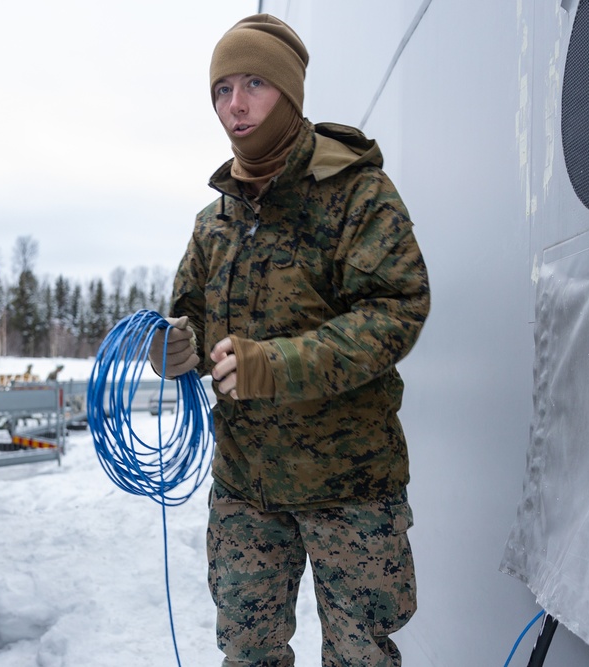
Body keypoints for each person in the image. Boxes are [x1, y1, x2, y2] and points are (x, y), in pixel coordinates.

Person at [149, 13, 430, 667]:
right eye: (221, 89)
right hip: (247, 487)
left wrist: (277, 365)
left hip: (350, 486)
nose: (236, 106)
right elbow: (185, 317)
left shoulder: (356, 194)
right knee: (248, 653)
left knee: (360, 656)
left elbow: (397, 309)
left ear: (291, 93)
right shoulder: (213, 221)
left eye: (254, 84)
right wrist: (173, 351)